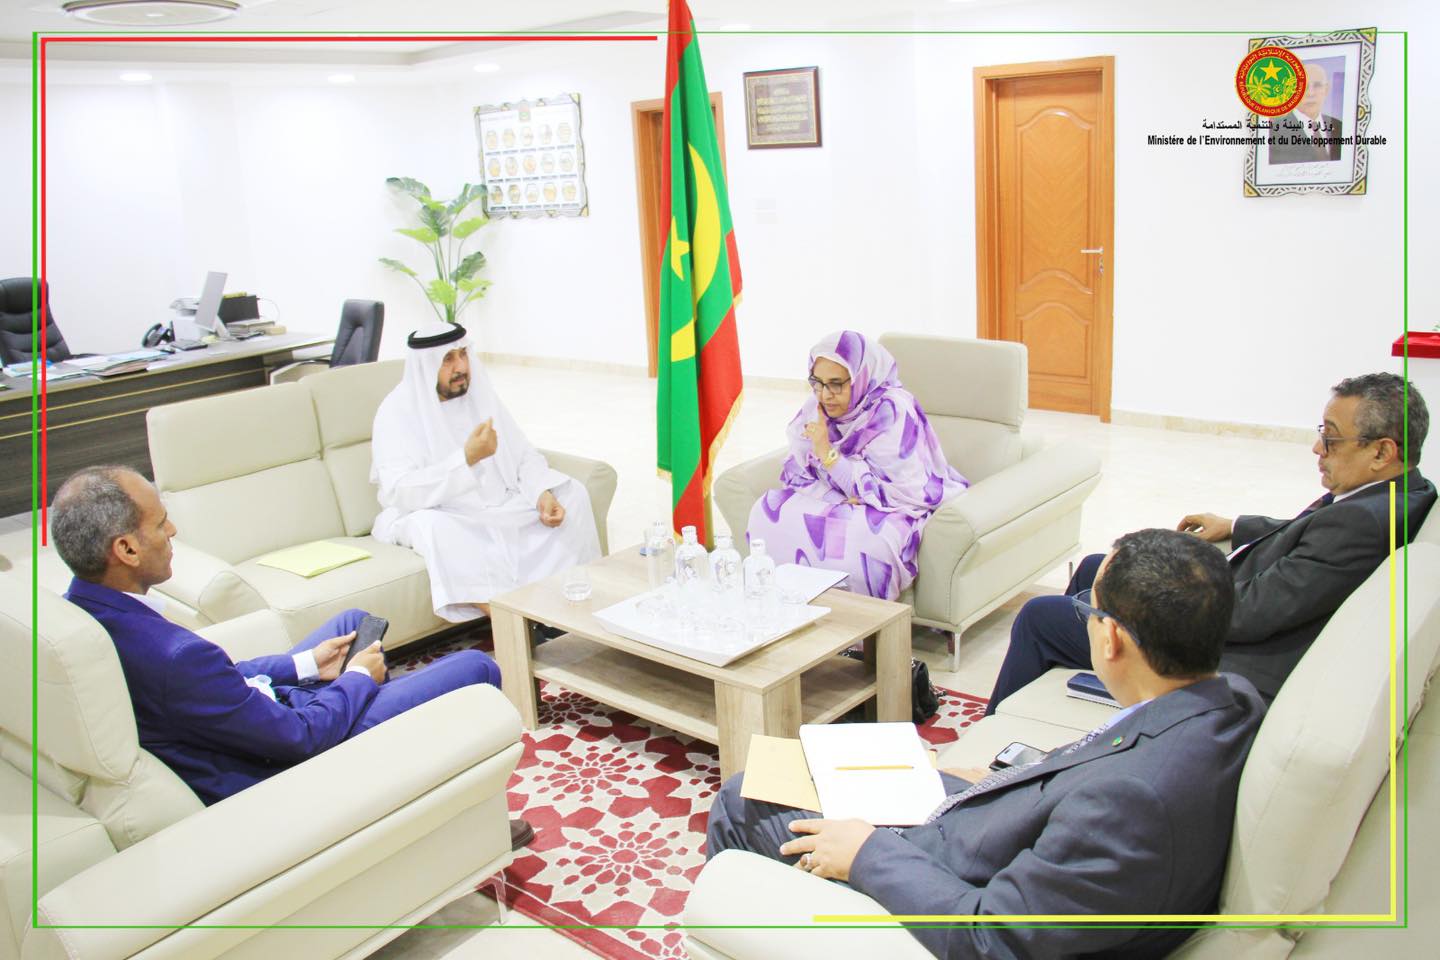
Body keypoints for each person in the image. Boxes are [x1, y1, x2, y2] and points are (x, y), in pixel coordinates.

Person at [707, 528, 1265, 958]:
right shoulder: (1232, 701)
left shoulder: (1129, 804)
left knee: (743, 796)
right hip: (1001, 825)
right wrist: (1007, 781)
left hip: (946, 870)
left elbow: (990, 939)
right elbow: (1105, 766)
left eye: (1087, 611)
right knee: (821, 765)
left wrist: (866, 854)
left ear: (1110, 638)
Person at [52, 466, 517, 825]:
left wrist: (306, 664)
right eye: (160, 524)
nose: (173, 532)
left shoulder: (85, 608)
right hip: (282, 760)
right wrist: (357, 679)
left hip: (252, 720)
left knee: (355, 624)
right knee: (476, 667)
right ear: (126, 550)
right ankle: (472, 817)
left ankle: (399, 762)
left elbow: (215, 682)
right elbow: (299, 738)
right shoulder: (172, 657)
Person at [988, 373, 1435, 713]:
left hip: (1225, 655)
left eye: (1331, 438)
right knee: (1093, 567)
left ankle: (994, 738)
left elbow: (1252, 613)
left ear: (1381, 452)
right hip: (1243, 614)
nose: (1318, 448)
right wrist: (1236, 525)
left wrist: (1164, 592)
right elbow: (1309, 534)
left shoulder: (1361, 524)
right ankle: (1084, 680)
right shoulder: (1399, 494)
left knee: (1040, 617)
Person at [371, 323, 601, 622]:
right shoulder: (396, 411)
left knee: (573, 494)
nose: (461, 367)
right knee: (437, 529)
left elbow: (523, 454)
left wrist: (541, 493)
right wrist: (466, 460)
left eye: (463, 354)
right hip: (445, 513)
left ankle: (571, 604)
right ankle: (513, 622)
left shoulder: (478, 394)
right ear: (425, 366)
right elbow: (399, 491)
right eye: (448, 359)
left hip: (501, 505)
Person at [745, 331, 968, 600]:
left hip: (889, 506)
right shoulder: (816, 407)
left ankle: (859, 621)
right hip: (842, 500)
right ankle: (787, 607)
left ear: (862, 378)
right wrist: (836, 498)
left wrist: (826, 451)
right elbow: (798, 474)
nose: (825, 395)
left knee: (869, 540)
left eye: (836, 384)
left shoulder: (892, 410)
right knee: (766, 511)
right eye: (817, 383)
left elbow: (895, 490)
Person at [1268, 62, 1343, 164]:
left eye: (1317, 85)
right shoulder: (1274, 133)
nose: (1310, 93)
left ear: (1326, 90)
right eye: (1303, 86)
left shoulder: (1339, 127)